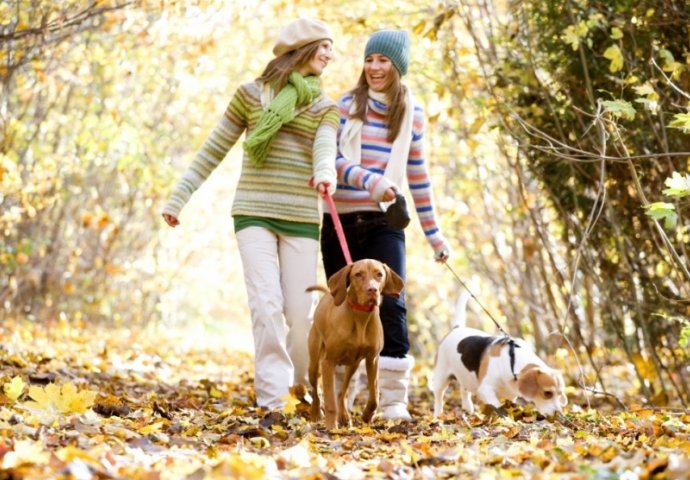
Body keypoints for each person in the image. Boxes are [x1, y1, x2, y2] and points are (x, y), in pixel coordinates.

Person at [162, 18, 339, 410]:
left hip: (301, 219)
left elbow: (325, 147)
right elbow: (213, 149)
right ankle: (273, 399)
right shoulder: (250, 96)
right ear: (301, 48)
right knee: (265, 304)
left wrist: (326, 172)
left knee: (300, 314)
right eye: (323, 45)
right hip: (253, 212)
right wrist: (179, 198)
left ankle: (300, 384)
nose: (330, 54)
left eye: (331, 47)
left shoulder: (326, 106)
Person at [320, 29, 451, 420]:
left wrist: (434, 235)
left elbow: (417, 174)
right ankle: (342, 399)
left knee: (392, 304)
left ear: (399, 66)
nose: (375, 68)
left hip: (384, 222)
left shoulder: (413, 114)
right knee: (342, 308)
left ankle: (393, 400)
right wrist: (372, 181)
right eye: (370, 59)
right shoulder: (344, 106)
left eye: (383, 61)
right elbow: (334, 161)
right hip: (340, 219)